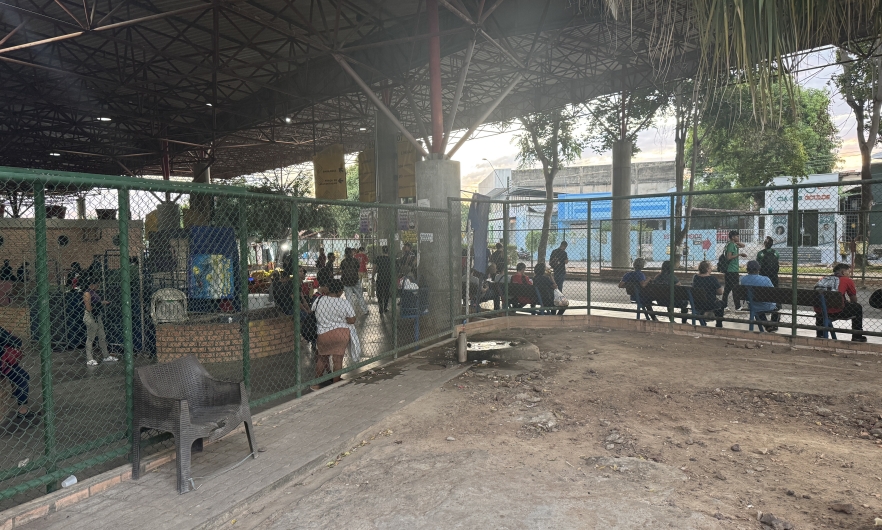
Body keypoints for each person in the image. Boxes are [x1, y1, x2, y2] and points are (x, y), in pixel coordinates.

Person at [311, 279, 356, 390]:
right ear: (340, 291)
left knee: (322, 358)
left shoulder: (319, 300)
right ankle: (336, 383)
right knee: (338, 360)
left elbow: (312, 312)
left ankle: (316, 383)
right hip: (341, 334)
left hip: (323, 334)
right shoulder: (344, 302)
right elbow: (352, 320)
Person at [814, 263, 866, 342]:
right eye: (849, 272)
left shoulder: (824, 279)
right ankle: (857, 336)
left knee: (824, 308)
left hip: (820, 311)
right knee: (857, 307)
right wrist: (850, 302)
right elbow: (853, 299)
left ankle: (820, 335)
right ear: (843, 272)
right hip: (837, 311)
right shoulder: (847, 280)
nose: (850, 274)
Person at [0, 326, 35, 430]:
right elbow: (14, 341)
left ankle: (15, 392)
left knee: (22, 375)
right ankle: (22, 410)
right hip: (2, 365)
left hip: (4, 363)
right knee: (22, 378)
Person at [83, 276, 117, 366]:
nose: (98, 287)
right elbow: (89, 307)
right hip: (90, 316)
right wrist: (97, 306)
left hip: (97, 316)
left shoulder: (94, 293)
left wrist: (102, 303)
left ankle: (106, 355)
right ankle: (89, 358)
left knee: (102, 336)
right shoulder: (87, 293)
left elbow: (96, 303)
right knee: (90, 338)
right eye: (97, 285)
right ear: (93, 284)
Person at [740, 260, 780, 332]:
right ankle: (774, 324)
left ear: (747, 269)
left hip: (753, 305)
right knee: (778, 305)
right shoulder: (766, 279)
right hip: (767, 305)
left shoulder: (743, 279)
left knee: (759, 310)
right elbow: (773, 293)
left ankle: (767, 326)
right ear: (759, 268)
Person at [692, 260, 725, 327]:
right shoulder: (712, 278)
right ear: (707, 269)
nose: (711, 269)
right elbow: (720, 292)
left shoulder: (695, 277)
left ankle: (703, 321)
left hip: (697, 303)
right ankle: (719, 324)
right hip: (710, 304)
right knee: (722, 304)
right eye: (710, 268)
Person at [722, 230, 748, 311]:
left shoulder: (733, 244)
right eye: (737, 236)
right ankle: (737, 306)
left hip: (732, 270)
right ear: (733, 237)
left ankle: (724, 305)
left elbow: (743, 245)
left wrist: (737, 242)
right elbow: (729, 257)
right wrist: (739, 254)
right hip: (731, 270)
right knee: (735, 288)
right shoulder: (731, 245)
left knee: (728, 289)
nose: (738, 237)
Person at [340, 248, 369, 315]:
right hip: (355, 280)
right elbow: (357, 268)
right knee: (360, 296)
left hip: (346, 282)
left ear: (345, 254)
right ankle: (365, 310)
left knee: (349, 298)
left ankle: (350, 312)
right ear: (351, 253)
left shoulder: (343, 262)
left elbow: (342, 271)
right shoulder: (355, 260)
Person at [374, 246, 392, 314]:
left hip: (380, 277)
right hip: (388, 278)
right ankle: (385, 307)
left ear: (382, 251)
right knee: (386, 292)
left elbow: (375, 268)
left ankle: (380, 305)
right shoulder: (390, 259)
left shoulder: (379, 258)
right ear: (388, 251)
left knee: (379, 292)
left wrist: (372, 276)